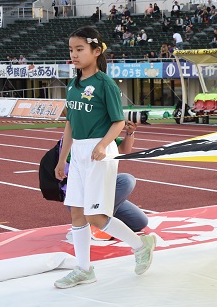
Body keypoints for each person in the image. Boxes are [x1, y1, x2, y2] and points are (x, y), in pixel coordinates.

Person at [53, 27, 156, 289]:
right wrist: (62, 159)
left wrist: (102, 145)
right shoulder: (73, 85)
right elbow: (70, 124)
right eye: (71, 50)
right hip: (78, 153)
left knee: (95, 216)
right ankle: (84, 269)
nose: (74, 55)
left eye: (80, 49)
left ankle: (140, 245)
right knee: (76, 213)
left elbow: (118, 121)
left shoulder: (105, 83)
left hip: (99, 153)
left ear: (96, 51)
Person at [60, 119, 149, 238]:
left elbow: (124, 150)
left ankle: (102, 220)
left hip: (103, 191)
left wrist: (129, 133)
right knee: (126, 181)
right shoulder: (79, 138)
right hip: (82, 196)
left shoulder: (104, 134)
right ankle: (95, 223)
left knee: (139, 222)